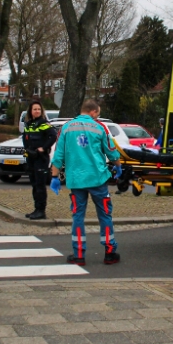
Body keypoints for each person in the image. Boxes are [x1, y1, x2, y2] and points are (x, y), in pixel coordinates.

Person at [50, 99, 121, 266]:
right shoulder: (99, 127)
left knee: (78, 217)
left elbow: (58, 155)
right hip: (97, 178)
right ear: (94, 112)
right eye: (98, 113)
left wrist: (54, 177)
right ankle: (109, 252)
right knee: (105, 215)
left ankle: (79, 255)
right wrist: (118, 166)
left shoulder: (66, 128)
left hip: (76, 180)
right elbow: (111, 151)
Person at [22, 101, 57, 220]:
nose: (37, 111)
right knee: (34, 185)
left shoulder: (44, 124)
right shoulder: (29, 125)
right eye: (34, 109)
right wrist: (27, 152)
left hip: (40, 159)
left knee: (40, 185)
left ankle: (41, 211)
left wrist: (43, 148)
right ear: (30, 111)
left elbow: (53, 136)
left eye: (38, 109)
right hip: (31, 158)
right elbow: (25, 140)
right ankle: (36, 209)